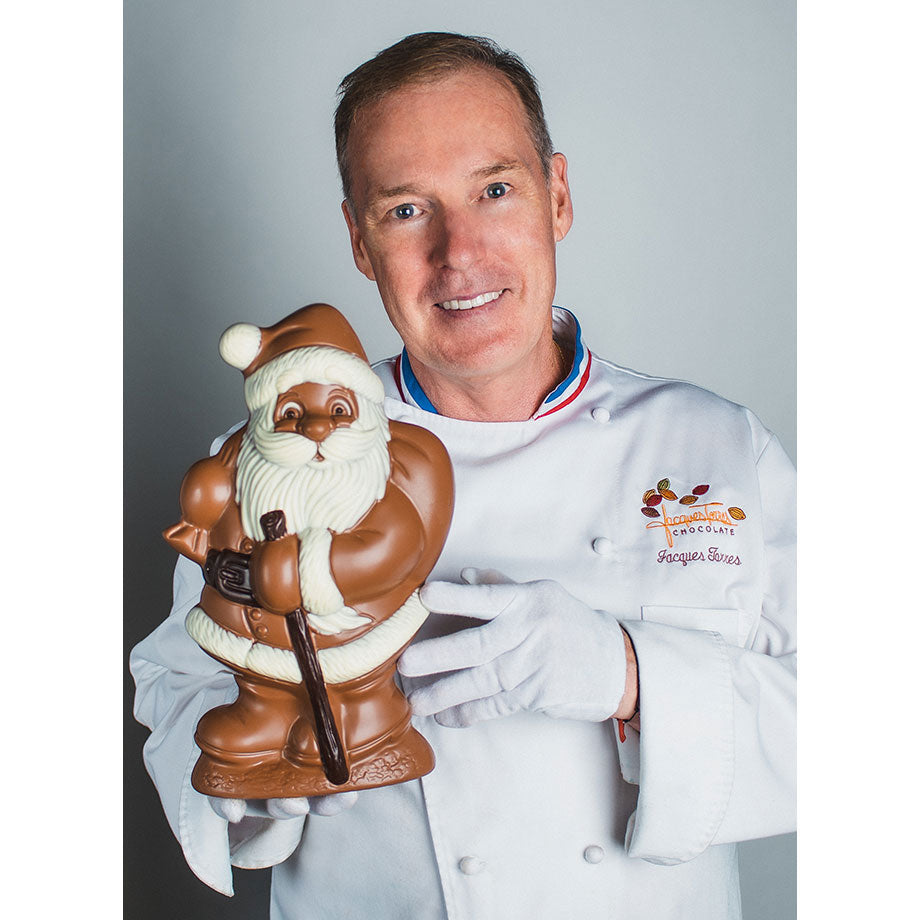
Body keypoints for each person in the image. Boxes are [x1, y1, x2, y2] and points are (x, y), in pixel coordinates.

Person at [131, 31, 795, 919]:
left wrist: (631, 675)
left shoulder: (717, 447)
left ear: (556, 195)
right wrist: (252, 786)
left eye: (495, 190)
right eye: (407, 210)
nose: (460, 252)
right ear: (359, 242)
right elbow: (176, 684)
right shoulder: (265, 461)